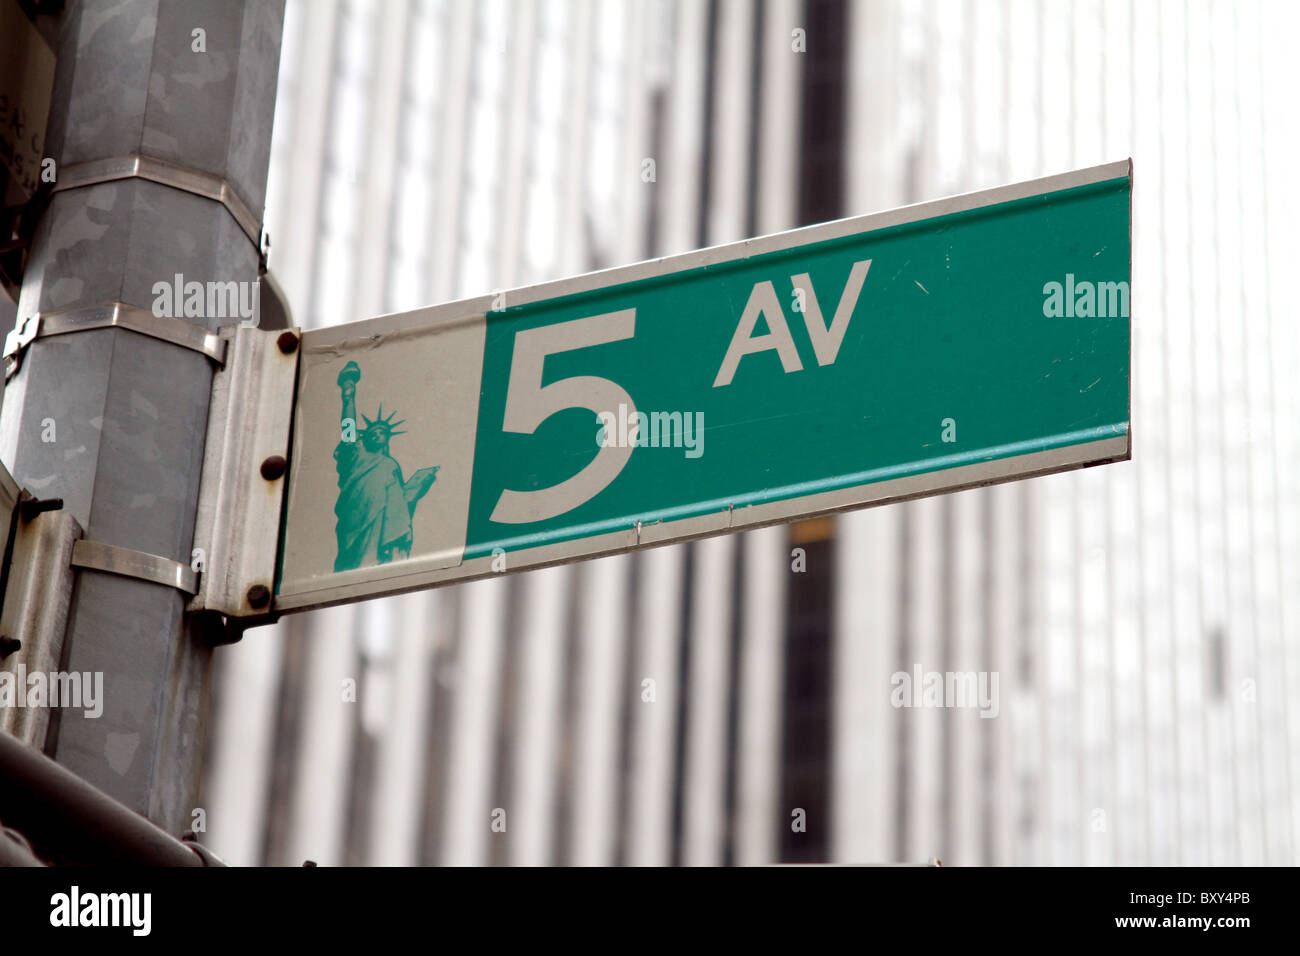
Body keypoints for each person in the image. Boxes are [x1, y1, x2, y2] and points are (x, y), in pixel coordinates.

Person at [333, 361, 438, 571]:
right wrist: (348, 397)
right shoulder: (355, 455)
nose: (377, 433)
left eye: (382, 431)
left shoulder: (390, 465)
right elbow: (348, 432)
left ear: (387, 438)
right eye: (373, 432)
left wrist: (418, 485)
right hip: (357, 515)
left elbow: (399, 502)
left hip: (385, 529)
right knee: (355, 563)